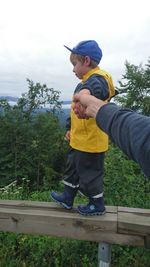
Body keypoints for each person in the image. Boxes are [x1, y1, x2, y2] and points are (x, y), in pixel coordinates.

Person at [51, 40, 116, 216]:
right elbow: (75, 111)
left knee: (90, 173)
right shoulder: (84, 82)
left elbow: (97, 89)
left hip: (92, 142)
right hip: (79, 139)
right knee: (72, 168)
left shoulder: (100, 78)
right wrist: (69, 128)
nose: (73, 69)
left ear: (86, 61)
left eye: (75, 64)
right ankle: (67, 197)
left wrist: (86, 93)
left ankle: (97, 204)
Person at [73, 93, 150, 178]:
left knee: (91, 179)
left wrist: (87, 92)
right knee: (77, 174)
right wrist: (69, 127)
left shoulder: (98, 80)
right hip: (78, 142)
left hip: (93, 145)